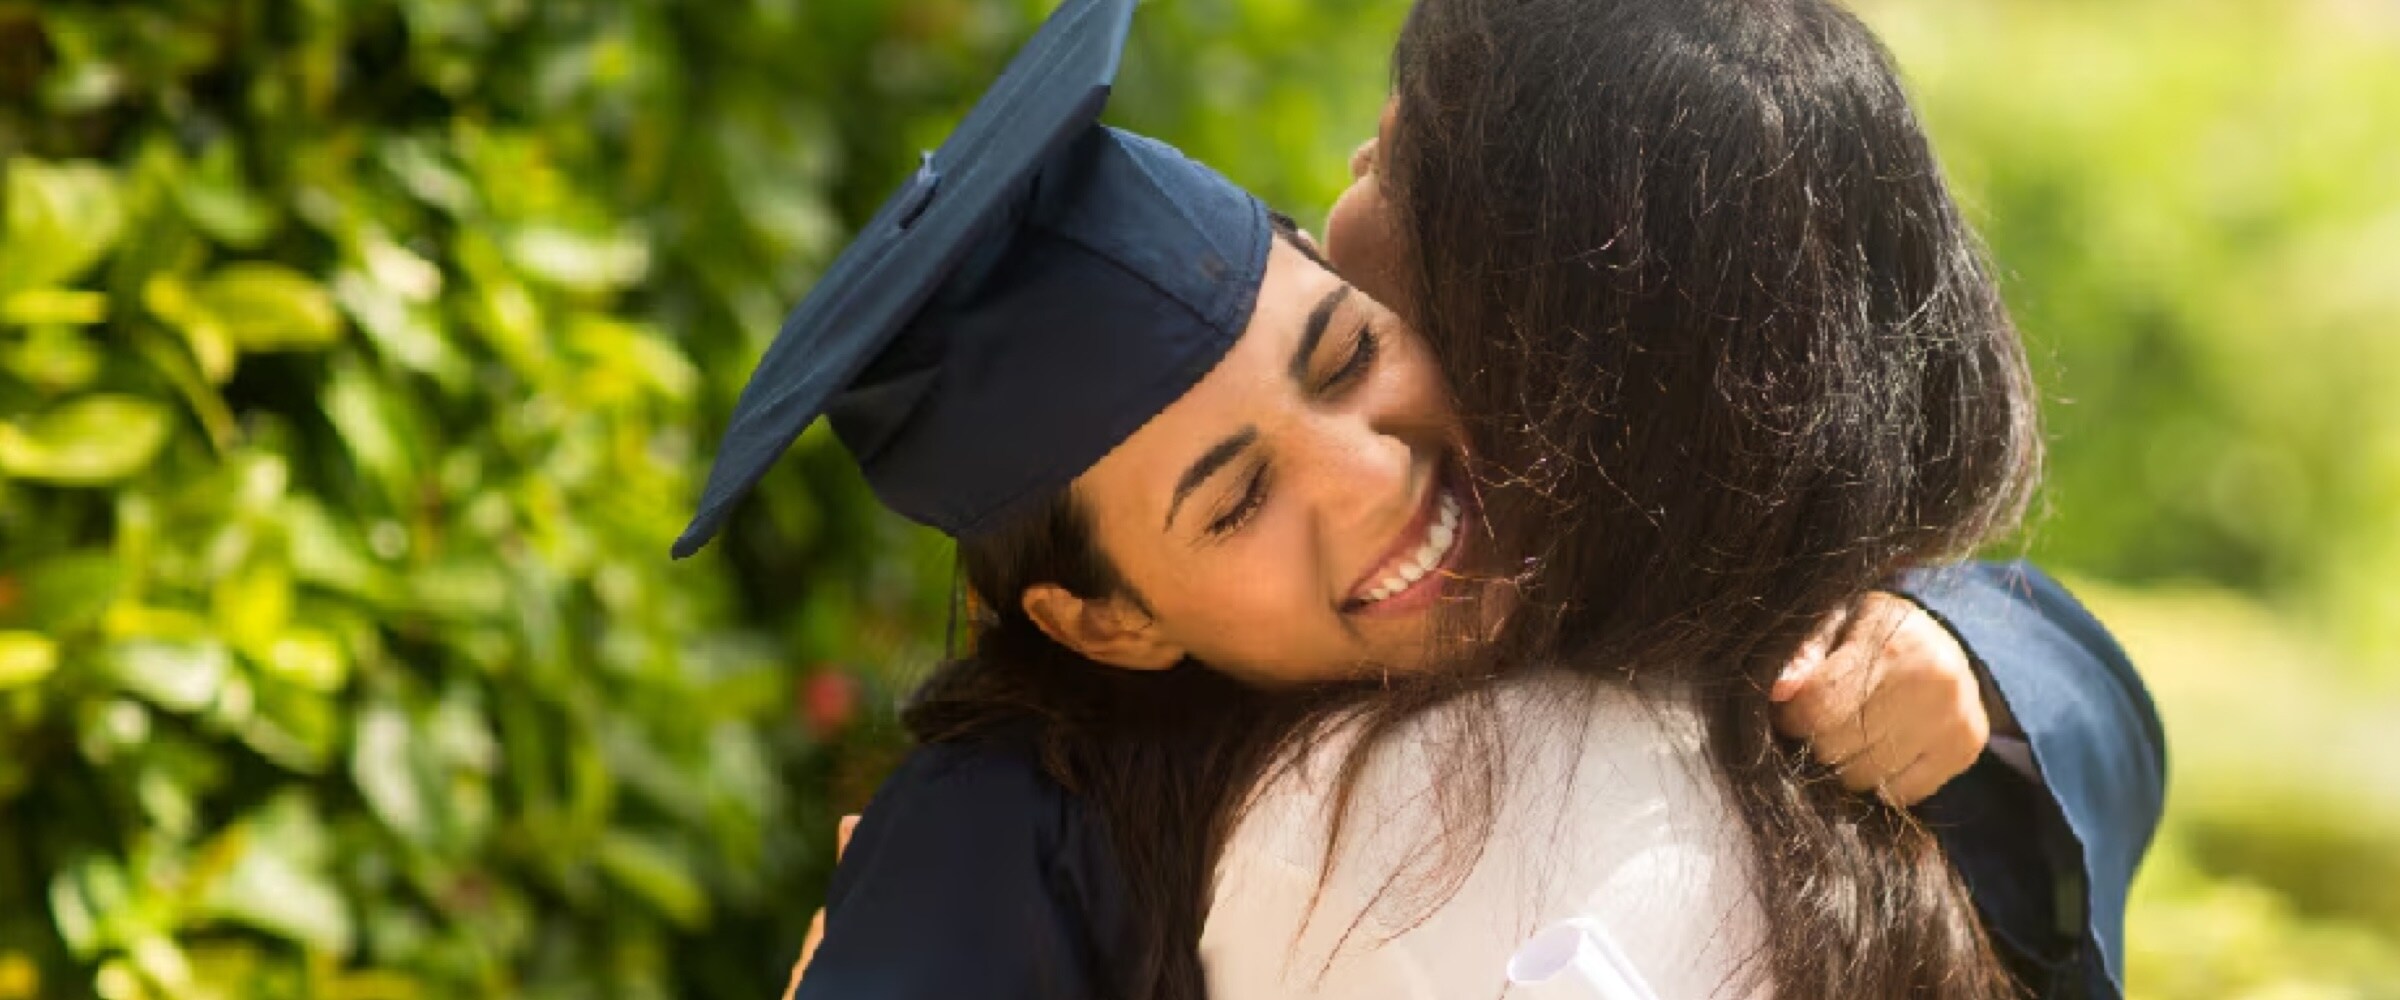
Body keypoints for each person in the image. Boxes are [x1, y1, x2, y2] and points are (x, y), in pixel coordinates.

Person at [673, 0, 2162, 997]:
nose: (1374, 480)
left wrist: (1951, 665)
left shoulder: (1665, 579)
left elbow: (2065, 685)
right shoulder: (1019, 832)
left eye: (1346, 353)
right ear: (1104, 621)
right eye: (1234, 501)